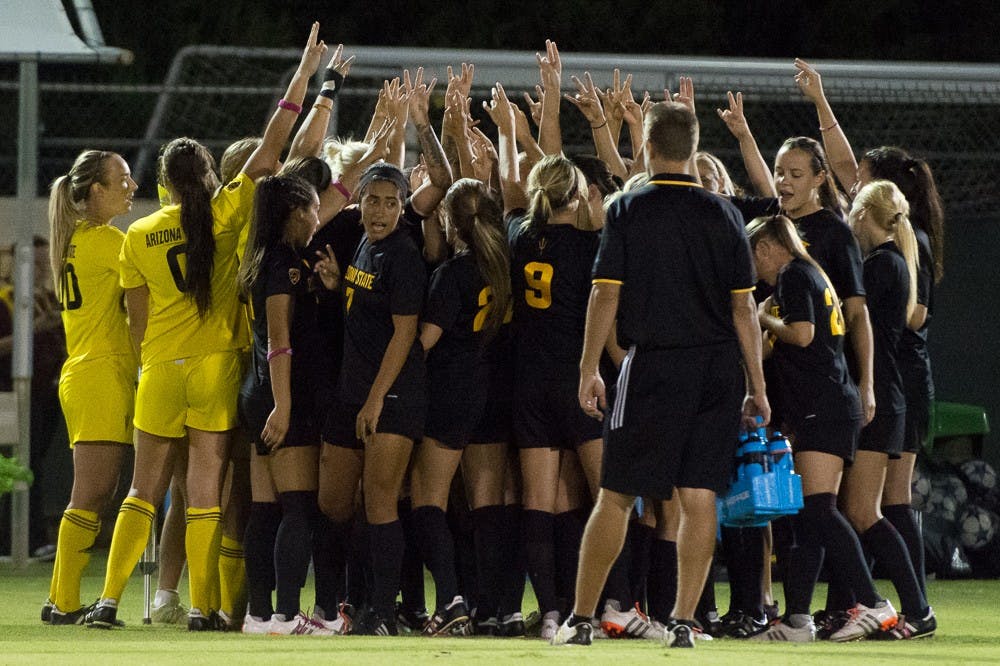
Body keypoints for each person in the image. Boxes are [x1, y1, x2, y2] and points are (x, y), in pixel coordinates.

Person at [86, 23, 327, 631]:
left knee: (142, 493)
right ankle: (202, 609)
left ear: (164, 182)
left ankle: (108, 603)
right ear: (210, 175)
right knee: (204, 495)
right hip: (217, 365)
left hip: (160, 370)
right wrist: (302, 76)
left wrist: (151, 364)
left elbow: (136, 322)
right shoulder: (224, 212)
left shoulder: (137, 235)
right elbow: (273, 148)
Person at [552, 98, 770, 649]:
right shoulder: (724, 212)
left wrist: (587, 369)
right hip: (718, 368)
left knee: (617, 494)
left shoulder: (628, 207)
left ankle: (579, 621)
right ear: (694, 148)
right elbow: (744, 309)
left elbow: (604, 293)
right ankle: (683, 623)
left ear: (647, 146)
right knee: (700, 497)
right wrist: (757, 386)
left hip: (653, 365)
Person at [745, 214, 897, 642]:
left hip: (824, 407)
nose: (752, 267)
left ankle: (872, 603)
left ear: (765, 249)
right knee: (810, 520)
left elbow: (803, 334)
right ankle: (796, 621)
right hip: (830, 404)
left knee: (819, 511)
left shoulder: (793, 273)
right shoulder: (812, 272)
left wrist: (761, 318)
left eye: (751, 254)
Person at [408, 177, 511, 636]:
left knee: (427, 499)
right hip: (491, 390)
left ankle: (450, 601)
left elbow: (424, 343)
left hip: (450, 391)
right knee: (485, 506)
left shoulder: (453, 273)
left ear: (450, 220)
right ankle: (488, 607)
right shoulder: (502, 266)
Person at [833, 180, 934, 639]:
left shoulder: (880, 266)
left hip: (880, 402)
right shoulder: (892, 262)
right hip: (887, 399)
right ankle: (882, 605)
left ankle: (911, 609)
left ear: (861, 215)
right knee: (861, 511)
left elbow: (859, 334)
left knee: (862, 512)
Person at [40, 151, 138, 624]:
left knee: (97, 490)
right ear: (95, 191)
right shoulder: (106, 241)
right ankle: (62, 601)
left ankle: (59, 596)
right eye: (121, 179)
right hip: (100, 373)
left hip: (86, 371)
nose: (131, 185)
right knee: (92, 491)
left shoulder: (75, 240)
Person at [236, 175, 336, 635]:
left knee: (265, 508)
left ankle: (258, 614)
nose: (319, 216)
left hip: (257, 393)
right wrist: (285, 404)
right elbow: (279, 340)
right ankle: (287, 614)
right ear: (297, 211)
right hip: (279, 395)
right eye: (315, 207)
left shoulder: (263, 258)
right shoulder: (284, 265)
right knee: (298, 507)